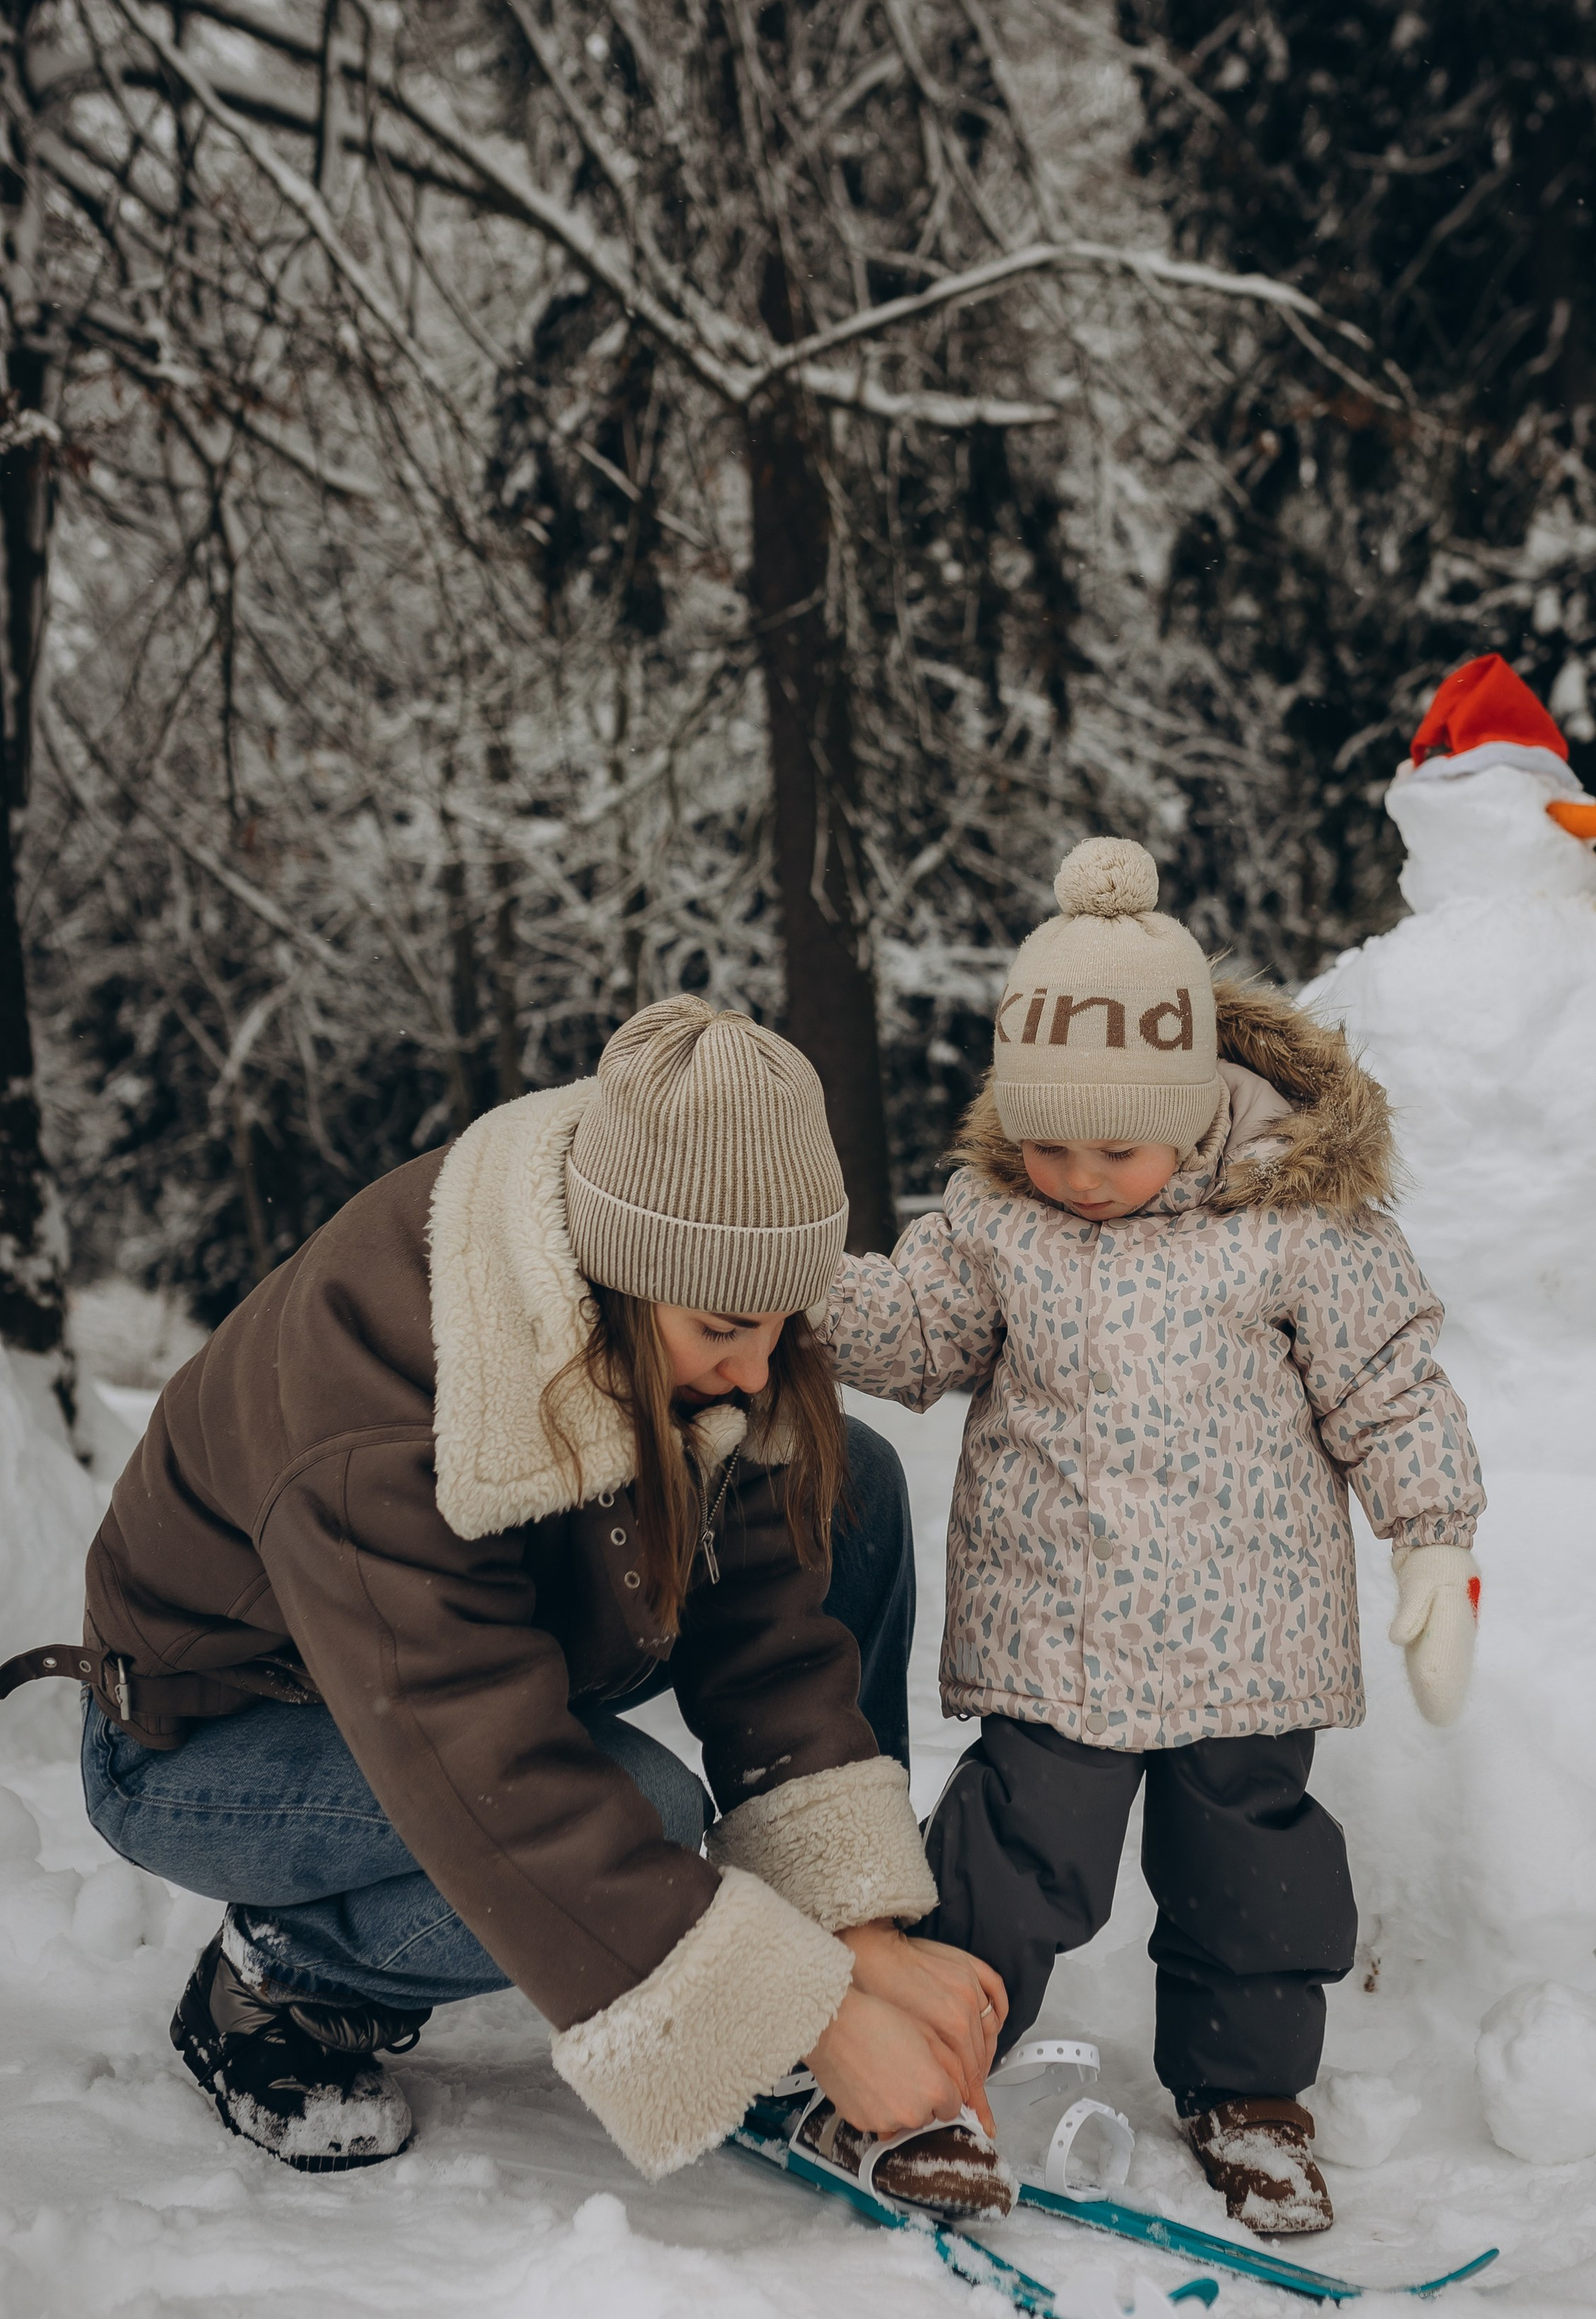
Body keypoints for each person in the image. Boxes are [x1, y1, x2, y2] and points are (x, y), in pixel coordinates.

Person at [2, 998, 1009, 2206]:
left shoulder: (682, 1280)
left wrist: (852, 1940)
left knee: (846, 1484)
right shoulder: (372, 1405)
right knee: (640, 1807)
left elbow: (770, 1640)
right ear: (622, 1281)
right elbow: (483, 1763)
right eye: (728, 1330)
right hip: (218, 1734)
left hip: (474, 1636)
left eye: (787, 1323)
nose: (758, 1365)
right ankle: (282, 1971)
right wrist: (791, 2004)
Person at [818, 839, 1484, 2236]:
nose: (1079, 1175)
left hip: (1250, 1635)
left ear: (1189, 1108)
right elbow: (917, 1332)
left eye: (1114, 1146)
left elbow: (1389, 1378)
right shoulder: (998, 1222)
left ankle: (1251, 2098)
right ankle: (923, 2078)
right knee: (1012, 1860)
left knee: (1255, 1870)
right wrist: (794, 1286)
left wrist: (1431, 1538)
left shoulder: (1295, 1220)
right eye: (1047, 1141)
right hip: (1058, 1633)